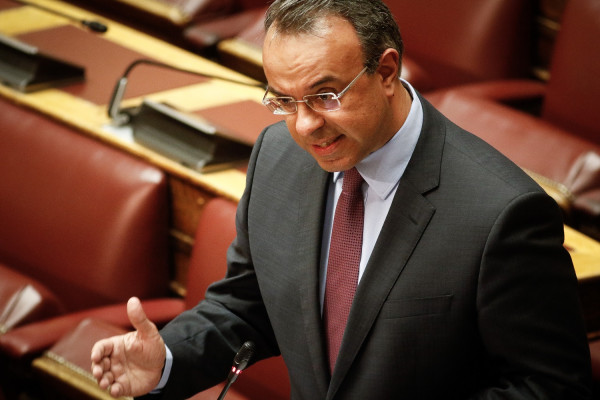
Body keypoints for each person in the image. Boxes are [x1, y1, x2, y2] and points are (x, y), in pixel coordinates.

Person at [91, 0, 592, 398]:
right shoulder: (278, 156)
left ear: (387, 71)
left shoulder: (501, 214)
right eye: (284, 100)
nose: (305, 126)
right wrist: (168, 359)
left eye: (325, 95)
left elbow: (550, 386)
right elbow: (249, 304)